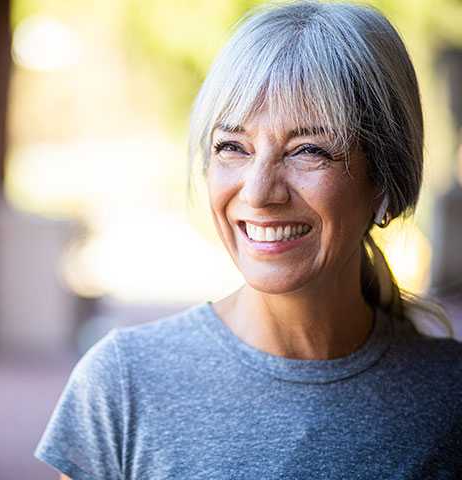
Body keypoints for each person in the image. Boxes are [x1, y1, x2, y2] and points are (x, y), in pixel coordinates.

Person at [35, 1, 462, 478]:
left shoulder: (451, 398)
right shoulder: (122, 384)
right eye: (233, 147)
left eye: (309, 151)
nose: (259, 193)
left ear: (384, 179)